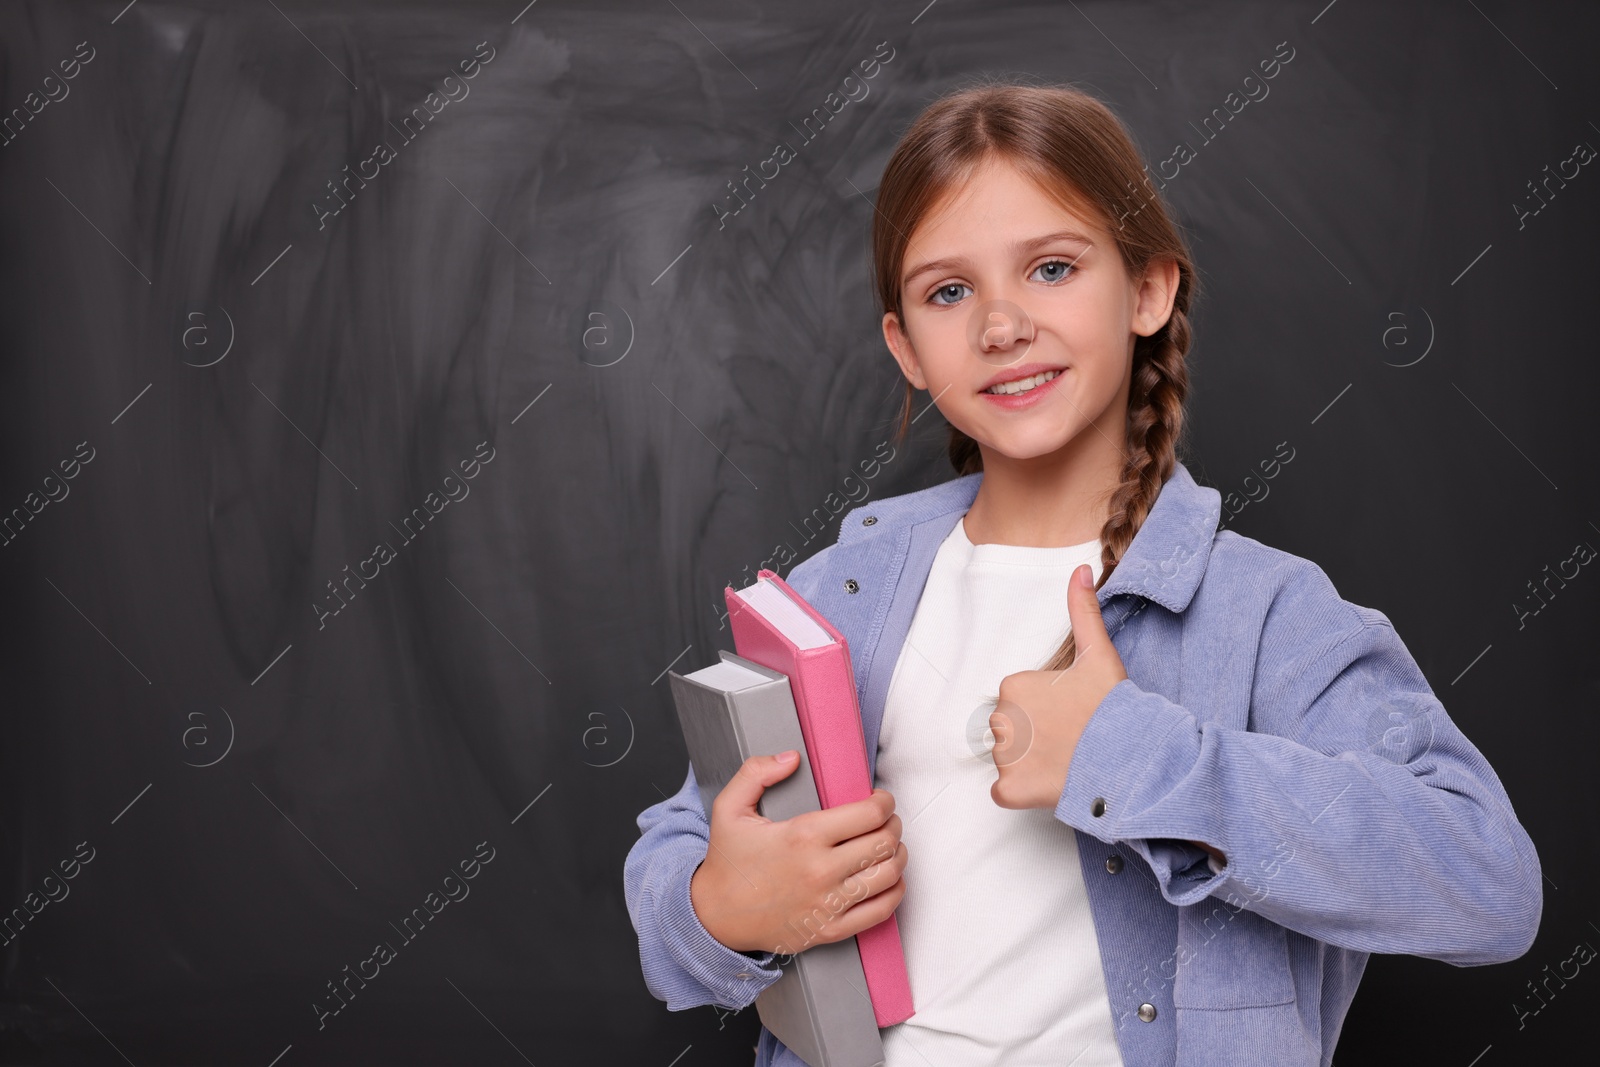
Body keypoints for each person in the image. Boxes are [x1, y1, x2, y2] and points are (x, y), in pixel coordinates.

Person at [623, 79, 1542, 1067]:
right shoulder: (839, 590)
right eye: (947, 291)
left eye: (1051, 267)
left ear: (1147, 290)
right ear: (905, 346)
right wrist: (719, 905)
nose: (999, 324)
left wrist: (1128, 753)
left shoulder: (1265, 612)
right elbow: (681, 846)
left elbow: (1486, 883)